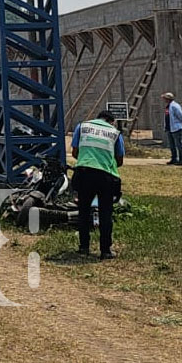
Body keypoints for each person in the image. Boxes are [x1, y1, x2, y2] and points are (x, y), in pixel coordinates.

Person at [71, 110, 125, 260]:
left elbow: (75, 152)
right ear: (111, 121)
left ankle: (83, 248)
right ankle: (106, 250)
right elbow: (119, 160)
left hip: (83, 173)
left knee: (83, 211)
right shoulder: (115, 132)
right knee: (105, 213)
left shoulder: (82, 127)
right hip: (105, 176)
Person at [161, 92, 182, 166]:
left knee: (179, 144)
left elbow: (181, 116)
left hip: (176, 128)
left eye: (165, 98)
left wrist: (178, 124)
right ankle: (174, 159)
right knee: (172, 145)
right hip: (170, 128)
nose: (164, 100)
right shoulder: (168, 106)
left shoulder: (175, 106)